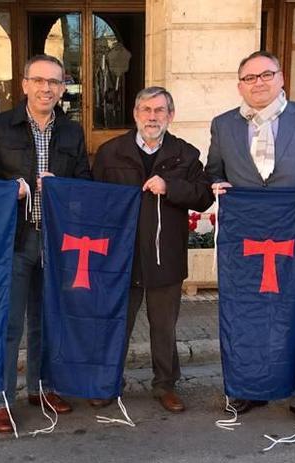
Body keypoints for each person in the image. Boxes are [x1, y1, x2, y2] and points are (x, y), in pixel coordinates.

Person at [205, 50, 295, 428]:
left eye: (266, 75)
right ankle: (249, 387)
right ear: (240, 85)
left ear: (281, 78)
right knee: (247, 313)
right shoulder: (223, 125)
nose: (259, 83)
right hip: (245, 246)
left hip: (294, 242)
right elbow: (212, 172)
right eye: (250, 78)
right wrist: (214, 185)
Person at [0, 54, 91, 433]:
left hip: (55, 241)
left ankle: (41, 387)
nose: (46, 88)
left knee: (47, 321)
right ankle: (0, 398)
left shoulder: (71, 132)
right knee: (8, 325)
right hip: (13, 241)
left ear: (62, 87)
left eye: (54, 82)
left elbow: (84, 182)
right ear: (23, 84)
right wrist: (11, 191)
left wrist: (62, 188)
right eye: (39, 80)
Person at [92, 86, 214, 413]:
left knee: (164, 327)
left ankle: (165, 386)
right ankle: (109, 383)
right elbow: (94, 201)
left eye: (160, 110)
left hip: (165, 255)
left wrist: (170, 186)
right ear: (135, 114)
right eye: (146, 109)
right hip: (122, 257)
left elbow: (204, 197)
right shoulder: (110, 153)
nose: (152, 116)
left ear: (170, 116)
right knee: (117, 324)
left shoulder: (185, 154)